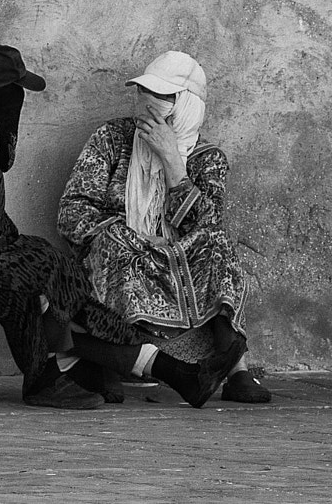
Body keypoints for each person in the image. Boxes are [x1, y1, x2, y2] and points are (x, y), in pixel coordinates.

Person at [0, 44, 243, 409]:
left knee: (41, 267)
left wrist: (172, 165)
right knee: (36, 267)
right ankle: (79, 373)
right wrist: (31, 250)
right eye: (14, 93)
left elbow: (208, 230)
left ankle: (141, 370)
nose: (17, 102)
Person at [58, 50, 271, 403]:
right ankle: (138, 356)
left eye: (161, 96)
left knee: (216, 242)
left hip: (180, 271)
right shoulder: (111, 139)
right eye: (143, 92)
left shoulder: (208, 159)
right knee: (115, 241)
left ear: (186, 105)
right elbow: (72, 212)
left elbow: (206, 226)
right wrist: (136, 239)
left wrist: (173, 162)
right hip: (121, 264)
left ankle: (235, 367)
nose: (145, 103)